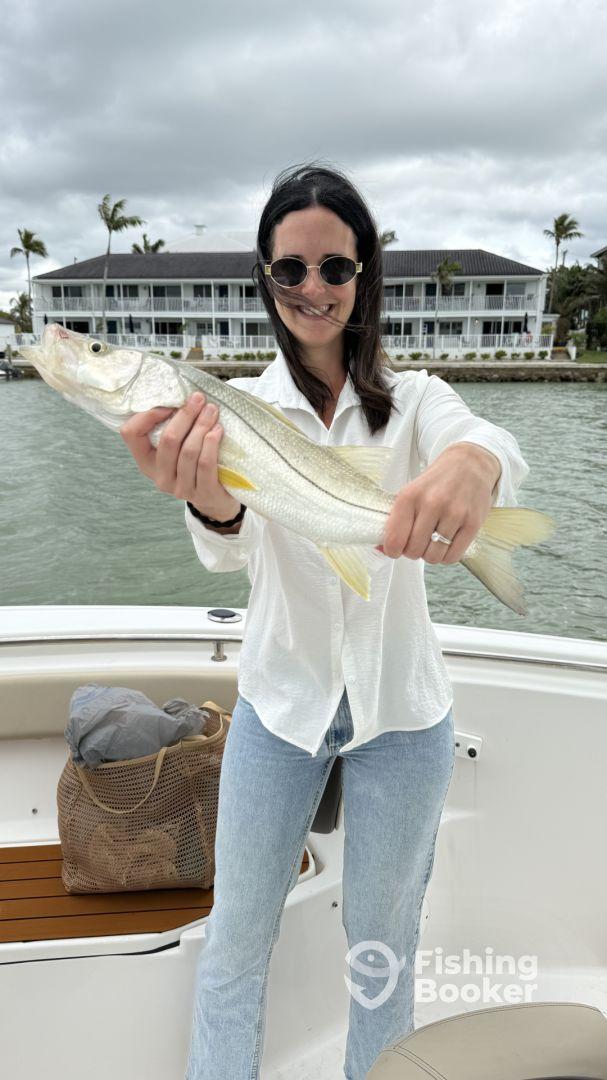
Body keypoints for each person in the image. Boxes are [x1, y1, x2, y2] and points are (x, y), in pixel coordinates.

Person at [120, 163, 529, 1080]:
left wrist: (475, 467)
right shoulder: (231, 408)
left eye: (333, 268)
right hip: (278, 707)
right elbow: (226, 552)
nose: (312, 289)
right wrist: (212, 505)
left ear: (362, 275)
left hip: (403, 714)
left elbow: (495, 439)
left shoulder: (416, 398)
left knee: (381, 956)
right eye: (290, 270)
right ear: (266, 280)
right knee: (234, 944)